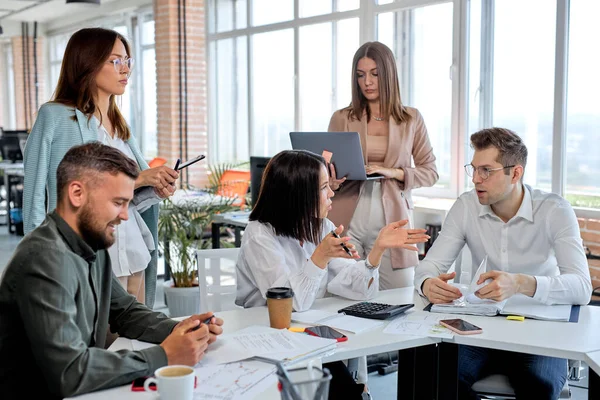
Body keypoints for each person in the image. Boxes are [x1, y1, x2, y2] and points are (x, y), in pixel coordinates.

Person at [0, 143, 223, 399]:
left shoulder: (90, 243)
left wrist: (180, 329)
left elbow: (125, 312)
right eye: (118, 202)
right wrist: (165, 355)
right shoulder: (44, 259)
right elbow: (70, 372)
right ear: (77, 193)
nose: (125, 216)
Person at [235, 149, 429, 400]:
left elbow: (357, 289)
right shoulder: (259, 234)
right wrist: (320, 257)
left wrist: (376, 252)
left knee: (346, 391)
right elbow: (289, 305)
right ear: (299, 194)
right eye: (324, 187)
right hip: (267, 342)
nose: (331, 193)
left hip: (308, 336)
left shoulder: (321, 226)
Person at [414, 128, 592, 400]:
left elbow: (581, 287)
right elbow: (429, 266)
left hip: (538, 332)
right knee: (437, 376)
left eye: (486, 170)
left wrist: (521, 283)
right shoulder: (466, 207)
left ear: (515, 173)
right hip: (481, 328)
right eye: (473, 169)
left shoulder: (555, 210)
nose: (475, 179)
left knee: (540, 385)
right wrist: (427, 284)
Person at [23, 27, 177, 307]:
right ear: (88, 63)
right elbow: (34, 196)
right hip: (89, 254)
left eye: (127, 61)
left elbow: (127, 201)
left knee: (135, 343)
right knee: (98, 346)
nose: (125, 69)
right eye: (115, 61)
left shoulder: (121, 126)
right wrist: (39, 262)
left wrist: (154, 188)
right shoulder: (55, 116)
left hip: (132, 250)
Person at [327, 41, 439, 291]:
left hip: (392, 221)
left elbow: (430, 172)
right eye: (360, 75)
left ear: (388, 74)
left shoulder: (410, 118)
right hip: (347, 219)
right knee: (342, 293)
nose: (367, 81)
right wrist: (330, 180)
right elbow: (325, 169)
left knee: (398, 295)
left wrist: (395, 172)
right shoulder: (342, 118)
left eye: (375, 74)